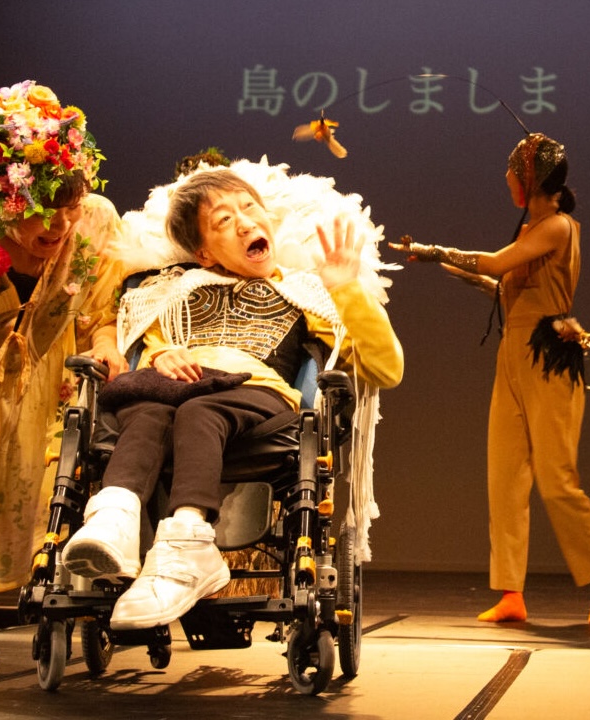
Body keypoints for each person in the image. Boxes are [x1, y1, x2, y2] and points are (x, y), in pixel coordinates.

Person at [59, 167, 404, 630]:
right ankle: (113, 522)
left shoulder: (305, 291)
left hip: (256, 400)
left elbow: (386, 369)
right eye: (223, 220)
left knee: (199, 409)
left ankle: (188, 542)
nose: (244, 223)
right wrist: (162, 355)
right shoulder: (168, 290)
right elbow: (142, 346)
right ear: (203, 251)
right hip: (177, 393)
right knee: (147, 408)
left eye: (249, 208)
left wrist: (344, 287)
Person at [0, 80, 127, 662]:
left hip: (41, 380)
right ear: (4, 203)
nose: (59, 225)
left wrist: (107, 341)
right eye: (41, 210)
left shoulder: (95, 221)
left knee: (36, 493)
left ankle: (1, 613)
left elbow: (101, 306)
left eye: (68, 208)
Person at [395, 133, 590, 626]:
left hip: (548, 356)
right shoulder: (533, 228)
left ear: (531, 180)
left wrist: (437, 251)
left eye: (512, 172)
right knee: (505, 477)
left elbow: (499, 264)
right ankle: (511, 592)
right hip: (513, 355)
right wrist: (463, 273)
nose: (506, 179)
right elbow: (507, 285)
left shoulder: (558, 225)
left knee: (556, 479)